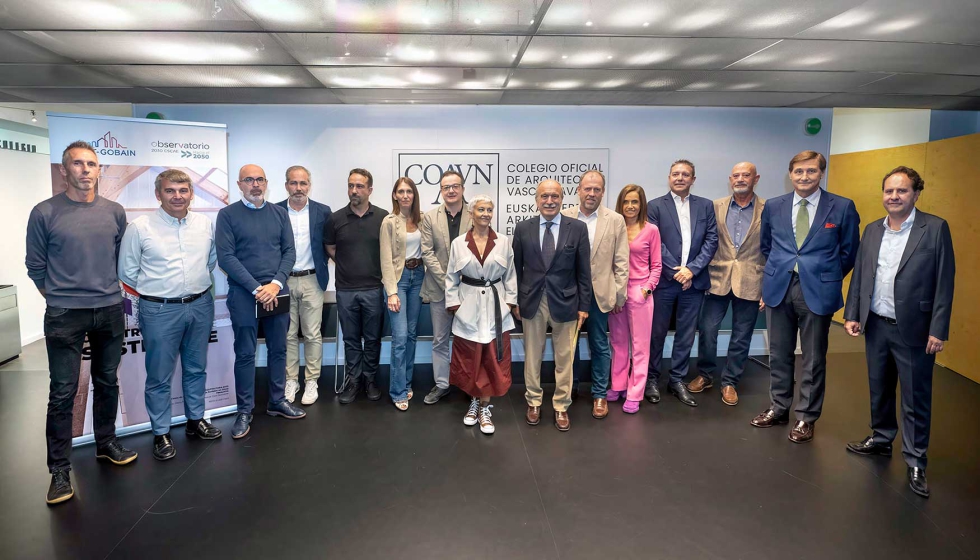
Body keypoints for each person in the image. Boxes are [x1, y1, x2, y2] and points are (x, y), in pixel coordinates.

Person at [26, 140, 137, 505]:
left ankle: (106, 442)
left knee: (107, 380)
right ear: (64, 170)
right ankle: (59, 470)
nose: (86, 170)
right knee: (63, 392)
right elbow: (36, 266)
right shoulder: (44, 212)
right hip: (64, 314)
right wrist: (59, 297)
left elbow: (120, 258)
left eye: (91, 164)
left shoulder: (115, 211)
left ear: (99, 170)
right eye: (78, 164)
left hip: (108, 309)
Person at [843, 166, 954, 498]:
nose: (894, 196)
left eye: (901, 191)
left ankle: (916, 460)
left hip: (916, 330)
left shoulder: (933, 229)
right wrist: (852, 313)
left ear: (916, 194)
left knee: (915, 398)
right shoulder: (873, 229)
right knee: (879, 388)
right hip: (876, 324)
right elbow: (862, 273)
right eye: (889, 191)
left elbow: (944, 282)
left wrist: (938, 328)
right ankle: (880, 438)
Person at [752, 150, 860, 443]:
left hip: (817, 289)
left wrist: (825, 274)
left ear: (821, 173)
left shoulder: (841, 206)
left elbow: (849, 251)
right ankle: (779, 407)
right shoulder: (774, 206)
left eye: (811, 171)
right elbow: (767, 246)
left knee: (813, 358)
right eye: (799, 171)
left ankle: (806, 418)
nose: (804, 177)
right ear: (790, 174)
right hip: (779, 287)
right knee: (778, 353)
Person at [118, 169, 222, 462]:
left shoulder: (204, 224)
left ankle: (195, 420)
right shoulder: (139, 227)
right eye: (170, 191)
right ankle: (161, 432)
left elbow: (211, 261)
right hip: (159, 310)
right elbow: (127, 272)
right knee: (160, 375)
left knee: (196, 368)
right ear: (158, 194)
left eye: (183, 190)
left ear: (191, 193)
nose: (177, 196)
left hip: (200, 305)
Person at [216, 164, 306, 440]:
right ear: (240, 184)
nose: (255, 185)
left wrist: (275, 284)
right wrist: (258, 288)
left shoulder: (279, 214)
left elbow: (289, 252)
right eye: (249, 180)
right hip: (245, 294)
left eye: (260, 180)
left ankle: (277, 401)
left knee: (280, 349)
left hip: (277, 291)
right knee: (245, 353)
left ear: (266, 183)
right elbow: (226, 258)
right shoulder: (227, 215)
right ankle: (245, 410)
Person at [513, 180, 592, 432]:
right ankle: (534, 402)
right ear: (536, 200)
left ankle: (561, 406)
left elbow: (584, 271)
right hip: (532, 300)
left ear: (562, 199)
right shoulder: (523, 228)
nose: (549, 201)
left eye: (555, 196)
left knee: (564, 358)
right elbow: (516, 268)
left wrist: (584, 305)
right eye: (544, 196)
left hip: (567, 302)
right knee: (532, 357)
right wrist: (515, 299)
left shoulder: (577, 228)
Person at [690, 162, 766, 406]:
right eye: (736, 175)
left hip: (752, 279)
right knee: (708, 330)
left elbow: (774, 248)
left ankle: (730, 381)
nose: (740, 179)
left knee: (741, 335)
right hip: (717, 278)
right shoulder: (715, 206)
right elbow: (707, 240)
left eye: (746, 175)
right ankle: (705, 374)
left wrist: (769, 287)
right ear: (730, 179)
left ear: (756, 178)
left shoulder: (769, 209)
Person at [645, 160, 719, 407]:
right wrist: (677, 273)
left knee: (686, 335)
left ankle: (676, 380)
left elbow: (711, 240)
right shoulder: (654, 206)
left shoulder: (706, 206)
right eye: (675, 174)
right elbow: (655, 244)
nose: (680, 178)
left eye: (685, 174)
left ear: (693, 179)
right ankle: (652, 380)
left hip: (693, 283)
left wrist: (692, 271)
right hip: (665, 282)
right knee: (657, 333)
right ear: (669, 177)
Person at [445, 195, 518, 434]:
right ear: (471, 214)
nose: (486, 214)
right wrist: (457, 307)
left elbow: (510, 277)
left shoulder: (504, 242)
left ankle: (485, 406)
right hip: (469, 306)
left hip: (496, 307)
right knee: (470, 358)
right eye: (481, 210)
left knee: (491, 357)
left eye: (489, 210)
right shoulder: (458, 243)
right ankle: (474, 403)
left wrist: (508, 304)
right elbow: (451, 279)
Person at [563, 170, 629, 419]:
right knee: (569, 346)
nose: (592, 194)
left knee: (600, 345)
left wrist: (619, 295)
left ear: (603, 192)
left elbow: (622, 261)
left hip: (601, 294)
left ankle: (600, 394)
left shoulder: (615, 220)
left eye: (597, 189)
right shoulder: (564, 215)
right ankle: (570, 388)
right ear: (578, 190)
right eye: (587, 189)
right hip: (569, 294)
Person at [327, 168, 389, 404]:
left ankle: (370, 379)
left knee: (373, 339)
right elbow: (331, 248)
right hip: (345, 290)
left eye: (360, 186)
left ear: (370, 190)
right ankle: (354, 381)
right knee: (351, 340)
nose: (354, 190)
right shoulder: (336, 218)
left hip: (374, 288)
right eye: (351, 185)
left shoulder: (383, 217)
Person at [276, 166, 332, 406]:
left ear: (309, 185)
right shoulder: (274, 210)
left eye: (303, 183)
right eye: (293, 183)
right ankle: (291, 380)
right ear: (286, 185)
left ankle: (311, 380)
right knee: (287, 334)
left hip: (312, 279)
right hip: (282, 281)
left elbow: (329, 245)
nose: (298, 188)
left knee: (312, 333)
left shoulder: (323, 211)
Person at [607, 185, 661, 413]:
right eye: (626, 202)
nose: (630, 206)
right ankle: (618, 385)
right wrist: (613, 291)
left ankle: (635, 393)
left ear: (641, 205)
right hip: (617, 292)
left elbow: (657, 265)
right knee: (618, 343)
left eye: (635, 202)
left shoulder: (651, 230)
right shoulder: (614, 228)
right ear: (621, 204)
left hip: (640, 293)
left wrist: (647, 289)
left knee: (639, 347)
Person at [420, 170, 471, 404]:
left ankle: (469, 383)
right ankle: (442, 384)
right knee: (440, 339)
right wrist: (448, 282)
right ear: (441, 190)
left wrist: (462, 282)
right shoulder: (430, 217)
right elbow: (427, 253)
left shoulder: (475, 213)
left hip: (470, 290)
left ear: (462, 188)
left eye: (455, 186)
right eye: (445, 187)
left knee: (470, 339)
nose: (450, 190)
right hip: (439, 289)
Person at [381, 177, 425, 410]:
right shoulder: (389, 222)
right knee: (399, 338)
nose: (406, 195)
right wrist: (391, 292)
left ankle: (406, 383)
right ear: (395, 195)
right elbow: (386, 260)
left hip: (418, 278)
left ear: (414, 195)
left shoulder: (423, 219)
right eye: (401, 191)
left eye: (409, 191)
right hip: (398, 281)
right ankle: (397, 390)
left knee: (411, 334)